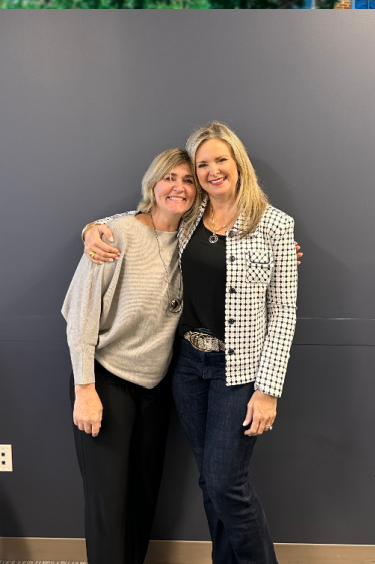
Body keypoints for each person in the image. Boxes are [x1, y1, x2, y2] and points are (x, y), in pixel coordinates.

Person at [85, 122, 297, 564]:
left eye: (220, 160)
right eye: (202, 164)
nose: (211, 170)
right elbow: (141, 218)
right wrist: (92, 227)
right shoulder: (190, 216)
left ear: (238, 163)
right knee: (208, 480)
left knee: (225, 482)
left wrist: (268, 390)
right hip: (186, 367)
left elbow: (284, 313)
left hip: (238, 371)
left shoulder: (275, 225)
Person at [63, 149, 197, 564]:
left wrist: (281, 252)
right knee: (108, 501)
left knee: (143, 496)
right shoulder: (115, 234)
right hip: (105, 379)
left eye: (189, 180)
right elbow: (79, 314)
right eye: (170, 177)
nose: (179, 187)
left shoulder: (195, 239)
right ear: (153, 184)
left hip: (157, 385)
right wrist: (85, 389)